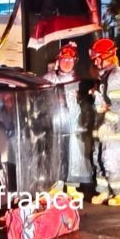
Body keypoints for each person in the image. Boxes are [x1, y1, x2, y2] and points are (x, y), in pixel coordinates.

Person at [89, 38, 120, 207]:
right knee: (99, 160)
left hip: (114, 131)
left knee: (110, 161)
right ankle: (103, 191)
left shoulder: (115, 76)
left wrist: (106, 124)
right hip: (105, 131)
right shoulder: (105, 76)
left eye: (97, 58)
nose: (95, 62)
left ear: (106, 57)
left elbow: (117, 106)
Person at [43, 42, 91, 201]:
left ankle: (72, 187)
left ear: (75, 61)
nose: (67, 62)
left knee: (74, 155)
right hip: (56, 124)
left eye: (70, 60)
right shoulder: (49, 78)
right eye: (64, 59)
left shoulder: (78, 80)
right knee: (56, 155)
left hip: (75, 124)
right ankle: (56, 186)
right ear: (58, 60)